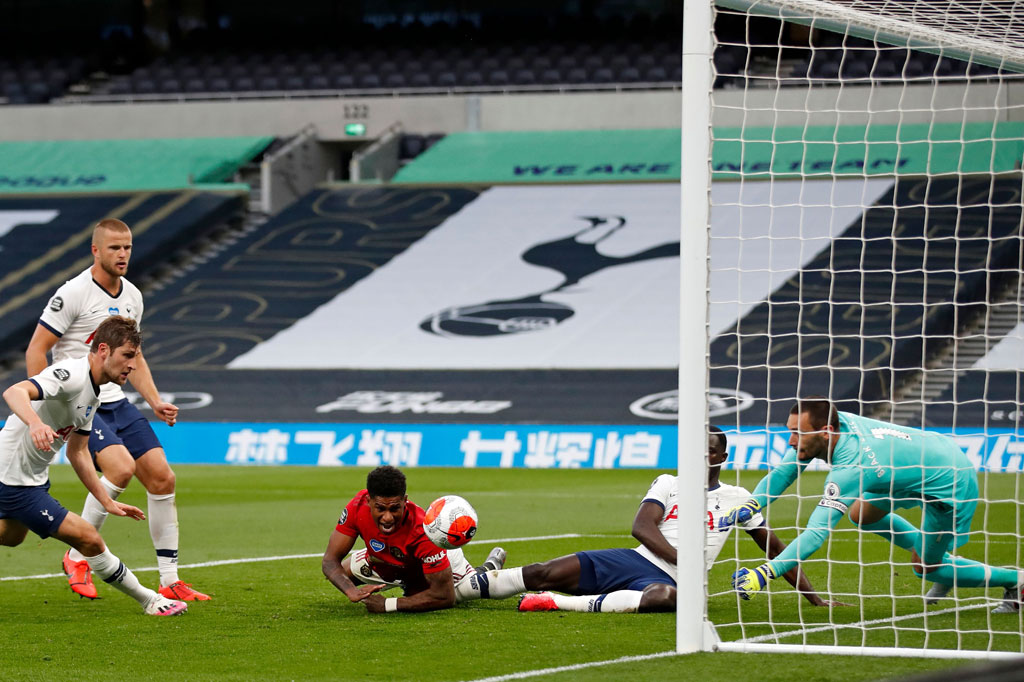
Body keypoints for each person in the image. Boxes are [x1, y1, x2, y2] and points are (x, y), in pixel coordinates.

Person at [455, 426, 837, 613]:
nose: (698, 456)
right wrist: (681, 558)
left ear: (721, 458)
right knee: (542, 569)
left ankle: (556, 603)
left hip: (672, 582)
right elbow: (642, 526)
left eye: (707, 451)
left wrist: (813, 598)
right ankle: (459, 590)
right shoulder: (669, 482)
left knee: (664, 598)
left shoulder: (738, 499)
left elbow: (775, 548)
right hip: (637, 559)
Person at [25, 218, 208, 602]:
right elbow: (35, 349)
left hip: (117, 403)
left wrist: (155, 400)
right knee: (121, 468)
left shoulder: (133, 296)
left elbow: (133, 355)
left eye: (127, 247)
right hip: (80, 402)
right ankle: (76, 556)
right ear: (96, 250)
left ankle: (170, 579)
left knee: (162, 479)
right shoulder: (73, 293)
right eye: (114, 247)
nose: (122, 254)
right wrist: (46, 406)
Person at [730, 398, 1024, 613]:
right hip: (911, 464)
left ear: (826, 431)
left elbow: (816, 531)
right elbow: (786, 470)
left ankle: (1015, 581)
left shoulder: (851, 465)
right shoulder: (831, 424)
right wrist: (754, 503)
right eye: (790, 430)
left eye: (798, 432)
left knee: (925, 568)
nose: (791, 440)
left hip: (947, 482)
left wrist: (765, 572)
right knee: (861, 514)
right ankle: (942, 561)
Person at [0, 316, 186, 616]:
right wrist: (35, 423)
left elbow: (80, 453)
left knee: (11, 537)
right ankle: (150, 600)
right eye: (127, 355)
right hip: (12, 479)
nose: (132, 365)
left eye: (135, 357)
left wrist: (105, 501)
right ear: (103, 350)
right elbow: (14, 392)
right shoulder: (70, 375)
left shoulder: (93, 393)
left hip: (31, 477)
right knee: (88, 538)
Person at [321, 465, 507, 613]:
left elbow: (445, 597)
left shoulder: (423, 531)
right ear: (369, 501)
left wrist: (388, 605)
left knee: (463, 591)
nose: (387, 517)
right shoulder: (357, 506)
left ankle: (487, 568)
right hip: (386, 559)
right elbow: (330, 561)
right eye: (380, 509)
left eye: (394, 509)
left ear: (405, 501)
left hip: (428, 561)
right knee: (342, 575)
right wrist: (351, 591)